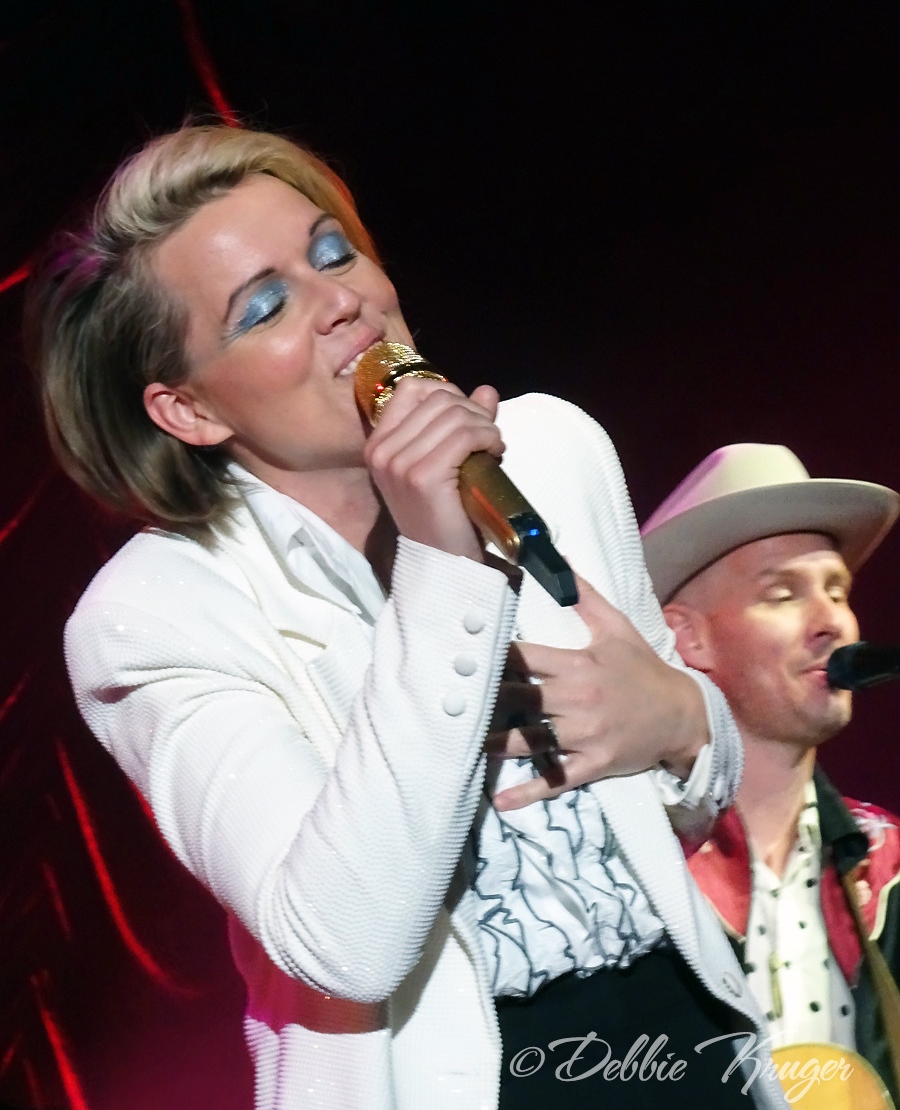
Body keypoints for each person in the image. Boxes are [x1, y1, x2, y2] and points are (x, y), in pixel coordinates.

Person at [25, 124, 784, 1109]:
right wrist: (442, 561)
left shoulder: (549, 450)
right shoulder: (158, 614)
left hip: (687, 1049)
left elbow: (688, 804)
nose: (342, 301)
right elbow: (345, 941)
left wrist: (685, 721)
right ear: (190, 411)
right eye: (266, 306)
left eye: (332, 251)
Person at [642, 441, 900, 1099]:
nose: (833, 622)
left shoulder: (887, 865)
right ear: (687, 636)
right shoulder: (627, 867)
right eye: (782, 594)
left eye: (837, 590)